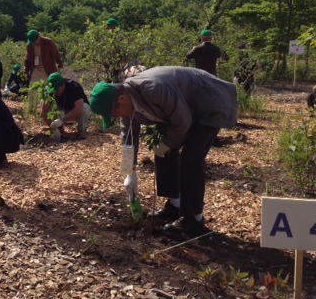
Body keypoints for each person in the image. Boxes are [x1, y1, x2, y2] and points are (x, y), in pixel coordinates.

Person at [89, 66, 237, 237]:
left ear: (122, 99)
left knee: (191, 159)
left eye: (114, 114)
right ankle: (175, 205)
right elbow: (128, 137)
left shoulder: (154, 89)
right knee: (163, 150)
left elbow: (183, 122)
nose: (116, 118)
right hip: (186, 109)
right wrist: (130, 171)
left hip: (210, 102)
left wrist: (167, 143)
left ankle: (194, 219)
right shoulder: (127, 101)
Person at [42, 72, 91, 140]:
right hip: (62, 111)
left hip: (75, 113)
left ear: (63, 84)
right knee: (43, 102)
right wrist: (53, 128)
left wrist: (62, 120)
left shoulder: (74, 87)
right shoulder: (49, 91)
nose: (55, 92)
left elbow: (79, 108)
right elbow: (44, 112)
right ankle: (60, 130)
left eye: (57, 89)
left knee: (84, 107)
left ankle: (81, 129)